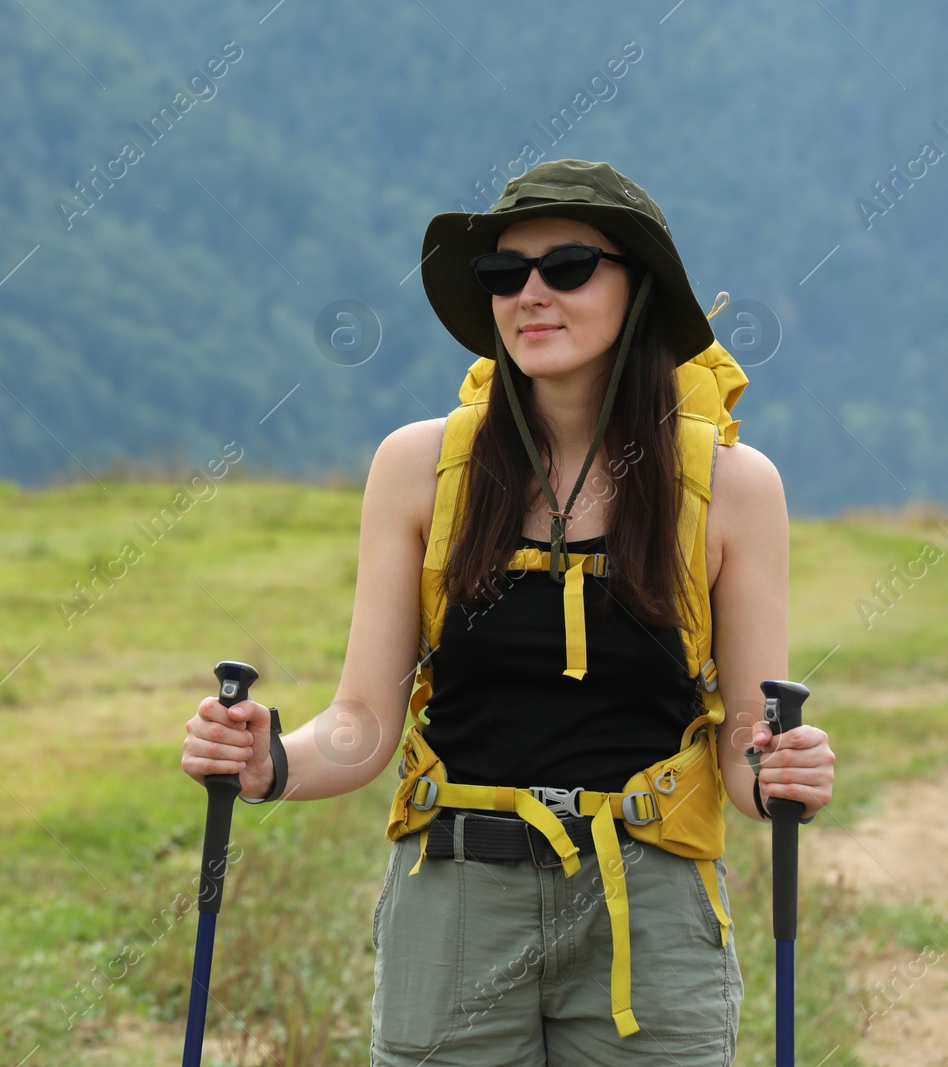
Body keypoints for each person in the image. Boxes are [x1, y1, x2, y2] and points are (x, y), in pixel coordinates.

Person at [180, 159, 837, 1066]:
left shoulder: (733, 486)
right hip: (454, 899)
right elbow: (366, 722)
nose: (530, 292)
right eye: (503, 273)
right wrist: (269, 761)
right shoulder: (419, 468)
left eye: (568, 266)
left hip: (649, 908)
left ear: (638, 288)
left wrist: (781, 772)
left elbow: (744, 749)